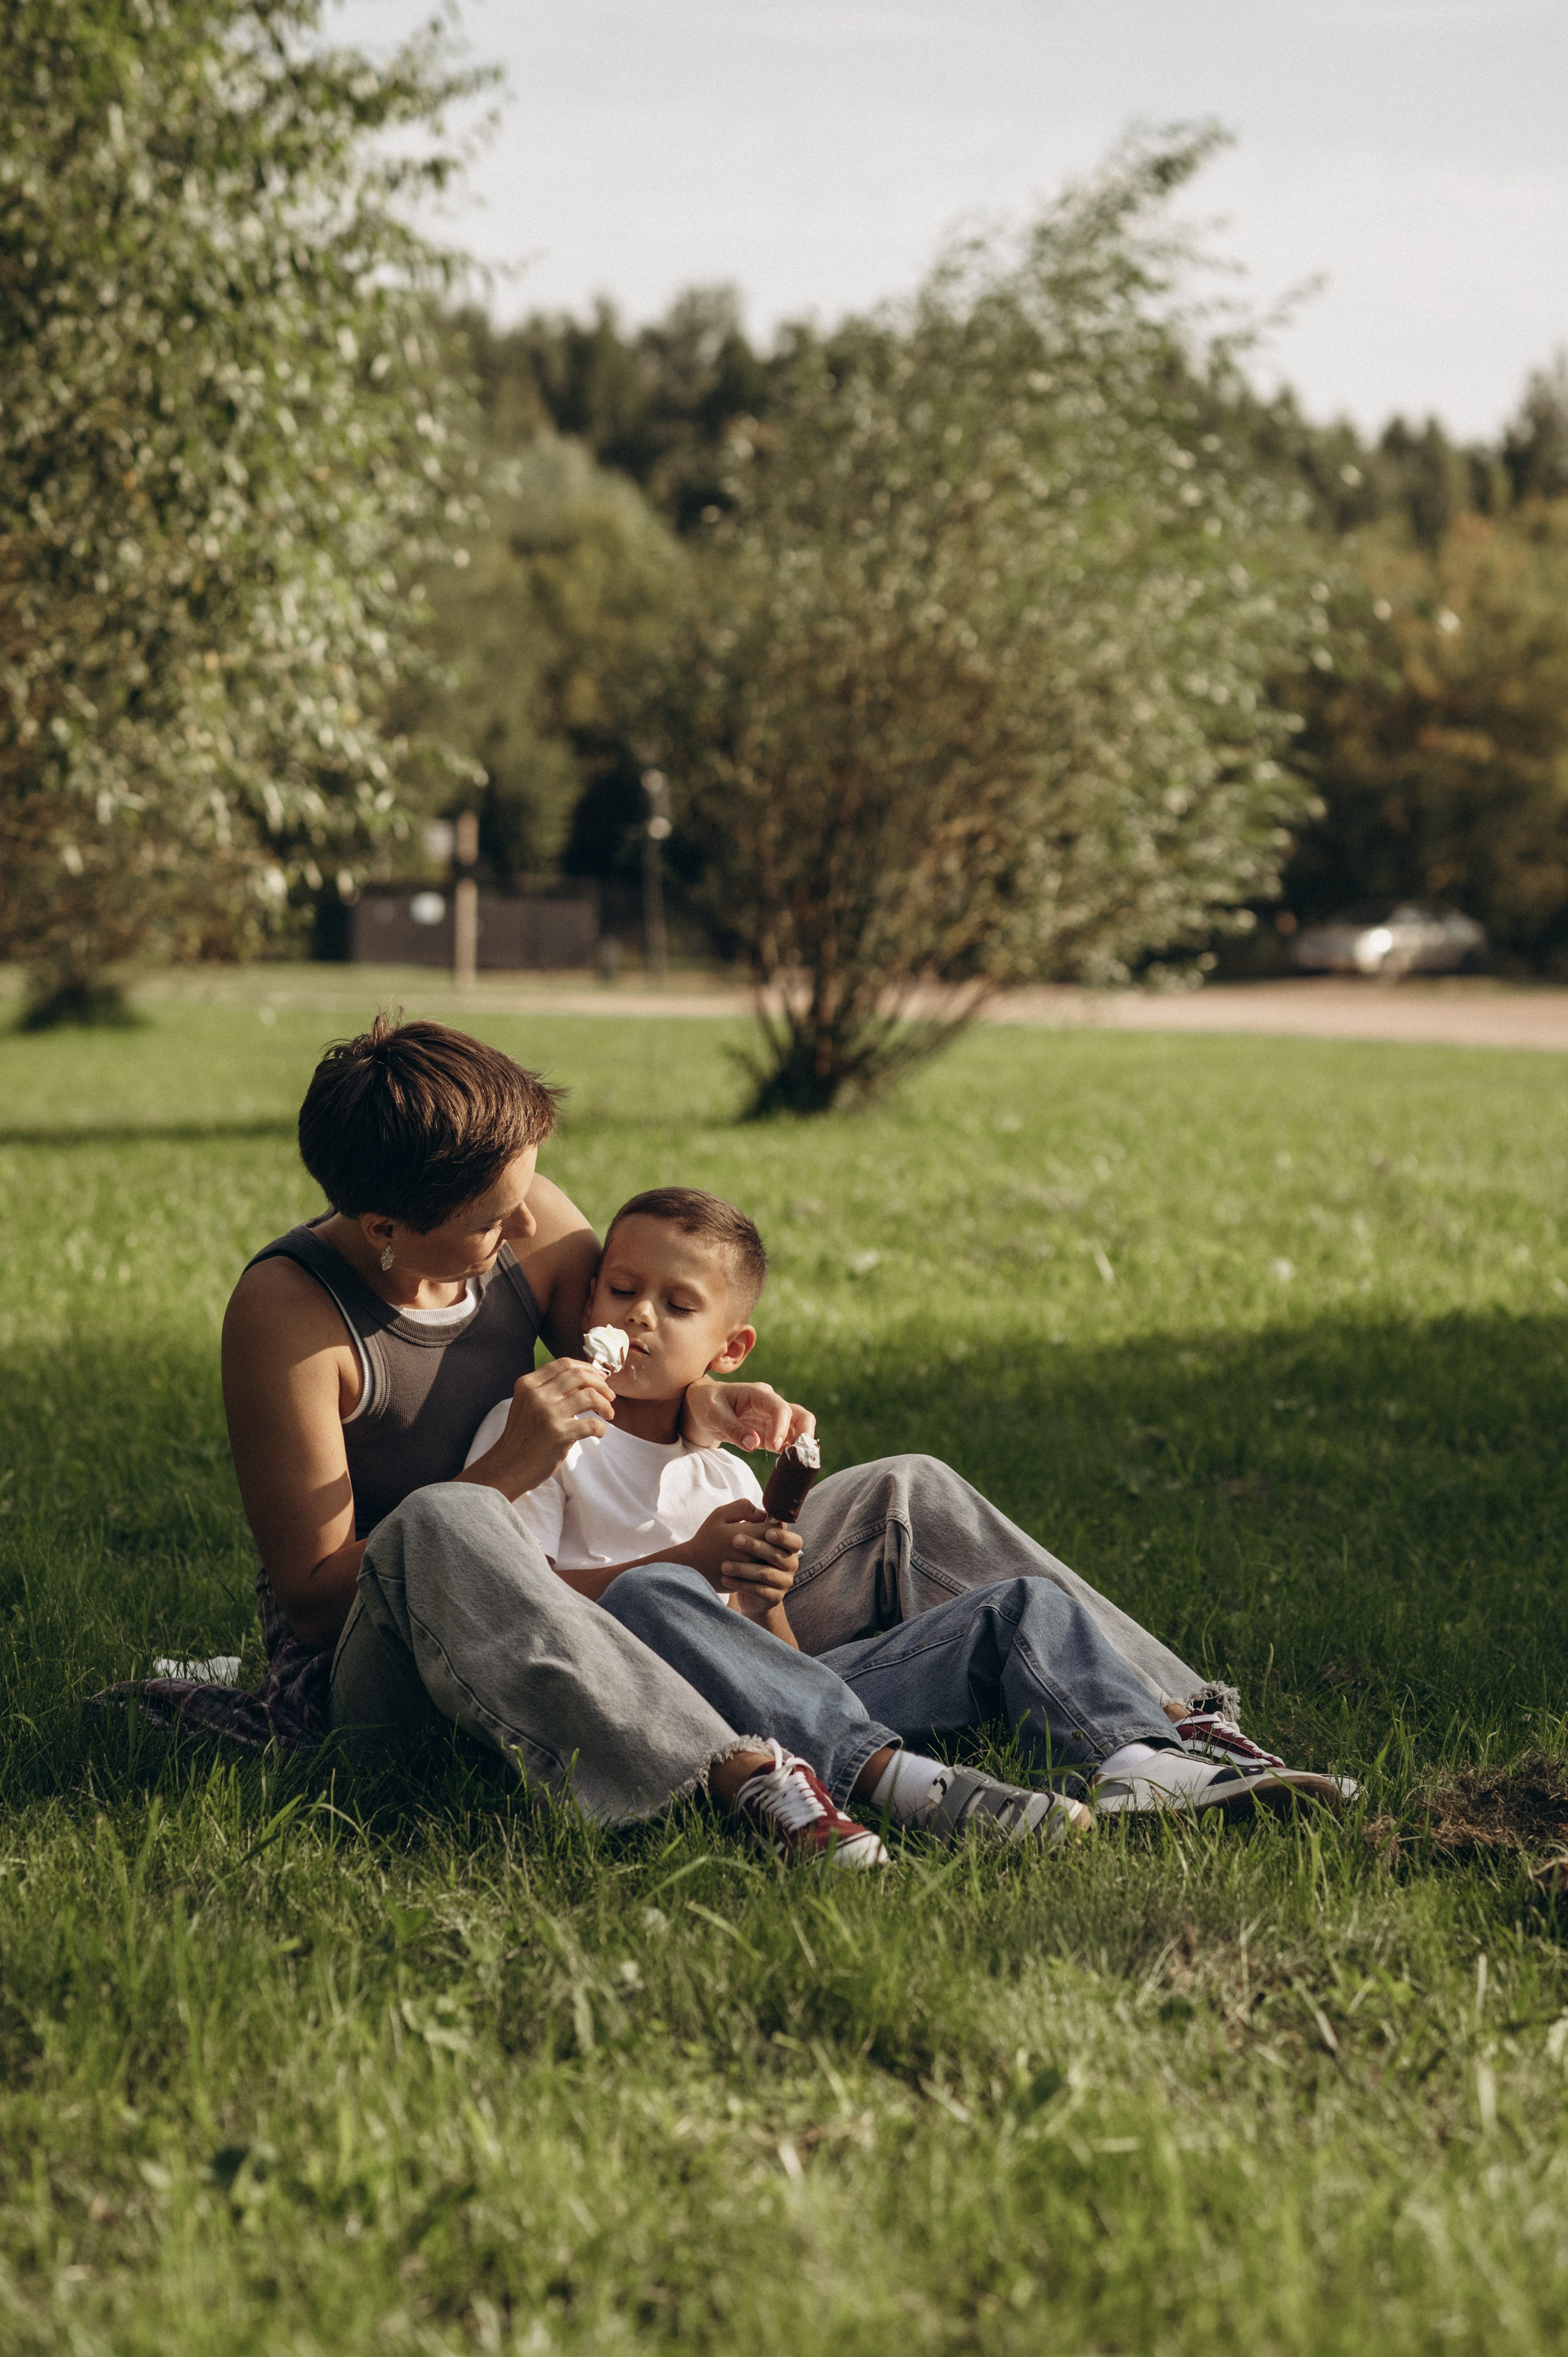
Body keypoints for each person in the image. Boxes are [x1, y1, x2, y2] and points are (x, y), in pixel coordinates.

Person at [208, 1014, 1335, 1833]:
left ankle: (1172, 1730)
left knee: (908, 1489)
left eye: (529, 1197)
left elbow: (628, 1352)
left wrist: (705, 1405)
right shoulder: (292, 1316)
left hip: (600, 1580)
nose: (533, 1228)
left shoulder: (517, 1199)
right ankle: (745, 1778)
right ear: (384, 1226)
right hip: (416, 1643)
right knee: (445, 1527)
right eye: (496, 1221)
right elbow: (316, 1598)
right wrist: (503, 1472)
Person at [463, 1186, 1343, 1827]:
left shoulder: (726, 1475)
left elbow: (785, 1660)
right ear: (586, 1301)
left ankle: (1132, 1759)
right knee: (653, 1597)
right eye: (622, 1290)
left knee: (1024, 1603)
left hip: (785, 1701)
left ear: (730, 1349)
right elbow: (518, 1597)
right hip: (668, 1709)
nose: (642, 1316)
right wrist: (684, 1568)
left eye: (677, 1304)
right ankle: (904, 1781)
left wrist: (765, 1595)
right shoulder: (541, 1428)